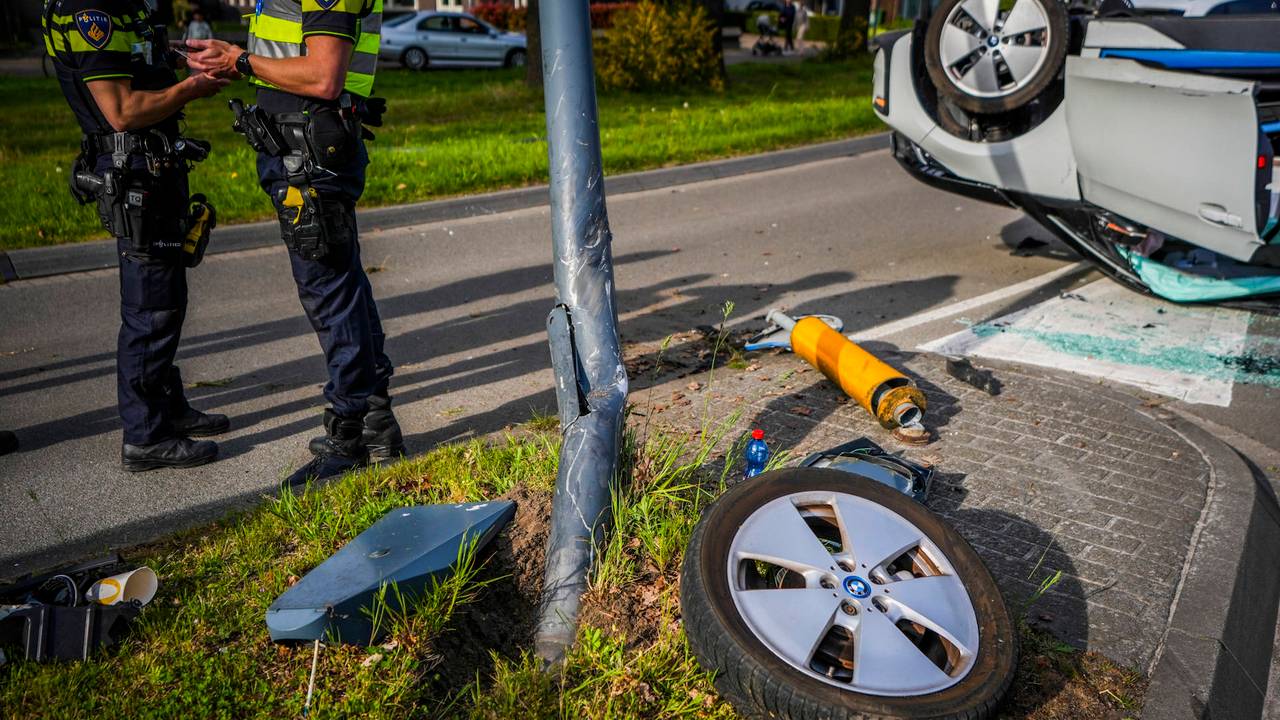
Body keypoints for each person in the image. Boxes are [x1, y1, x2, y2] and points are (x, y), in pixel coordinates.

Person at [185, 0, 403, 486]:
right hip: (301, 148)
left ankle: (349, 439)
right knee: (343, 285)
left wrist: (238, 61)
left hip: (311, 154)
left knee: (329, 291)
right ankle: (375, 424)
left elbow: (324, 75)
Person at [42, 0, 230, 471]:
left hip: (157, 167)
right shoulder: (91, 11)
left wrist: (178, 58)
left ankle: (168, 408)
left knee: (169, 298)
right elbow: (121, 111)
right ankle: (145, 436)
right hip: (135, 175)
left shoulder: (128, 6)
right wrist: (191, 89)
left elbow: (140, 64)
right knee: (150, 308)